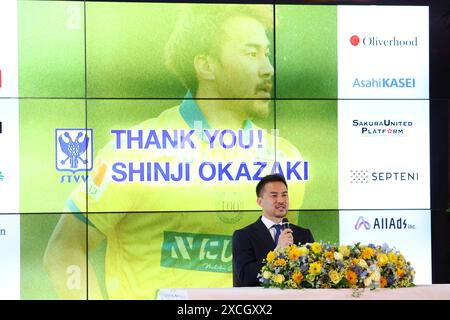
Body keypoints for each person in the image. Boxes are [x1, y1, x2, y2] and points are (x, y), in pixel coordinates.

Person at [44, 4, 307, 299]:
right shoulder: (133, 150)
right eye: (251, 53)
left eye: (266, 54)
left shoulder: (285, 160)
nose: (267, 68)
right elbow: (64, 250)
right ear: (206, 65)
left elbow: (279, 263)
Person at [232, 174, 314, 287]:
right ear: (260, 202)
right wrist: (278, 251)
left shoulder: (304, 234)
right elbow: (245, 277)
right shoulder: (243, 236)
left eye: (284, 195)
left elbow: (313, 275)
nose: (281, 200)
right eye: (274, 195)